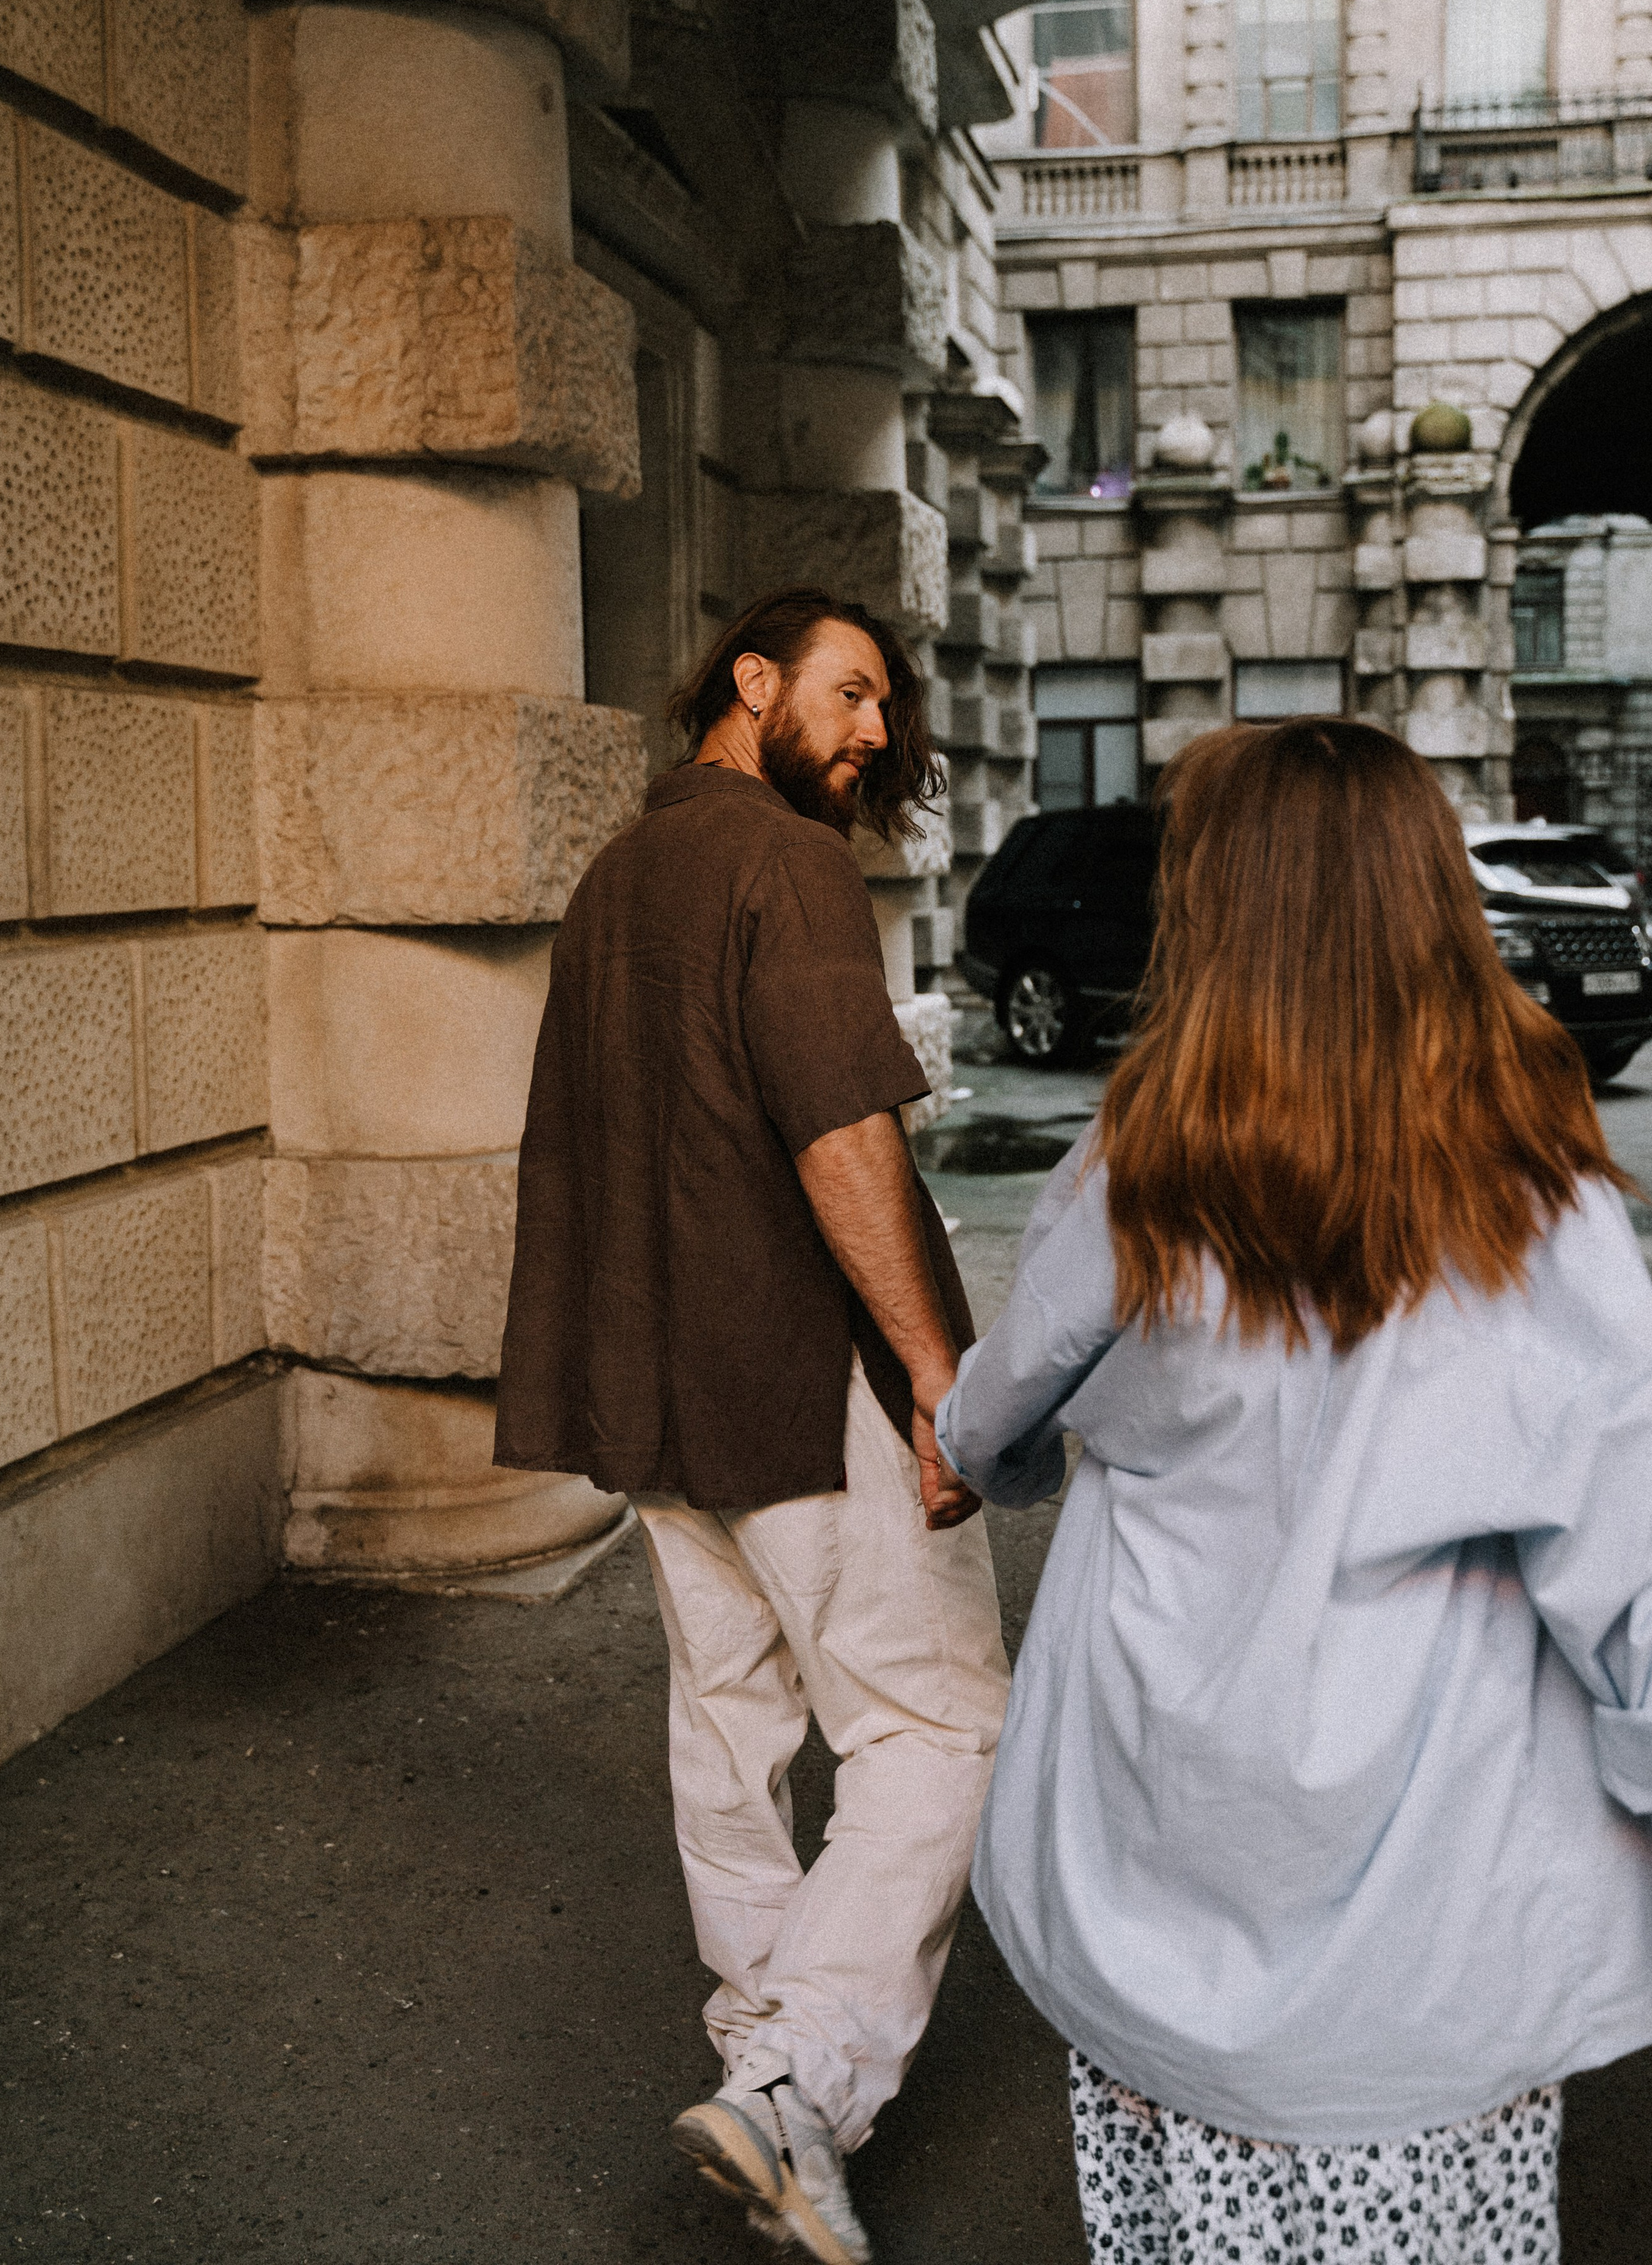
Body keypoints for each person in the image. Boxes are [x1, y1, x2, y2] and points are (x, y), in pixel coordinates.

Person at [936, 717, 1652, 2265]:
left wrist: (991, 1462)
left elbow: (1000, 1404)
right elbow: (1640, 1569)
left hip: (1155, 1837)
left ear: (1207, 909)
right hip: (1430, 1900)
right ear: (1434, 906)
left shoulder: (1137, 1163)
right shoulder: (1532, 1199)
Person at [495, 587, 1008, 2265]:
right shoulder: (783, 866)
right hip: (790, 1370)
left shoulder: (617, 877)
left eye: (885, 711)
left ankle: (763, 2075)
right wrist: (933, 1370)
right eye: (850, 694)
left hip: (651, 1380)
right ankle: (796, 2089)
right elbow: (840, 1133)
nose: (873, 732)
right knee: (934, 1726)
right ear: (752, 679)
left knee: (730, 1729)